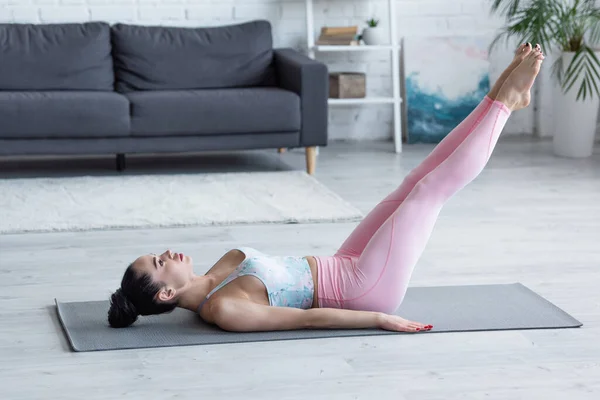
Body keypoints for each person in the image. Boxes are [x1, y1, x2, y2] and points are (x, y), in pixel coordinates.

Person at [108, 43, 545, 333]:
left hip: (342, 262)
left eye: (158, 253)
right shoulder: (223, 310)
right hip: (362, 287)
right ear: (166, 293)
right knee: (429, 190)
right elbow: (306, 318)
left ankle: (497, 97)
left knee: (414, 180)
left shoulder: (219, 267)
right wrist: (378, 318)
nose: (166, 253)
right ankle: (505, 105)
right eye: (160, 263)